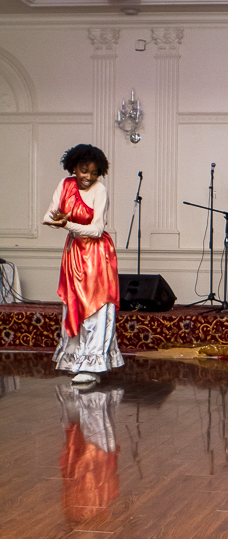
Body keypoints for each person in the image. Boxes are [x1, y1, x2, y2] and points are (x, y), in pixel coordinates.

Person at [43, 144, 124, 385]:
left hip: (97, 254)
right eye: (83, 170)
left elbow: (97, 230)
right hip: (74, 253)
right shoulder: (65, 184)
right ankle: (75, 359)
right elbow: (49, 216)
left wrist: (66, 225)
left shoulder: (100, 190)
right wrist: (60, 222)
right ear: (73, 167)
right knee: (74, 305)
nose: (87, 177)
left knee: (96, 309)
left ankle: (93, 365)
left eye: (93, 172)